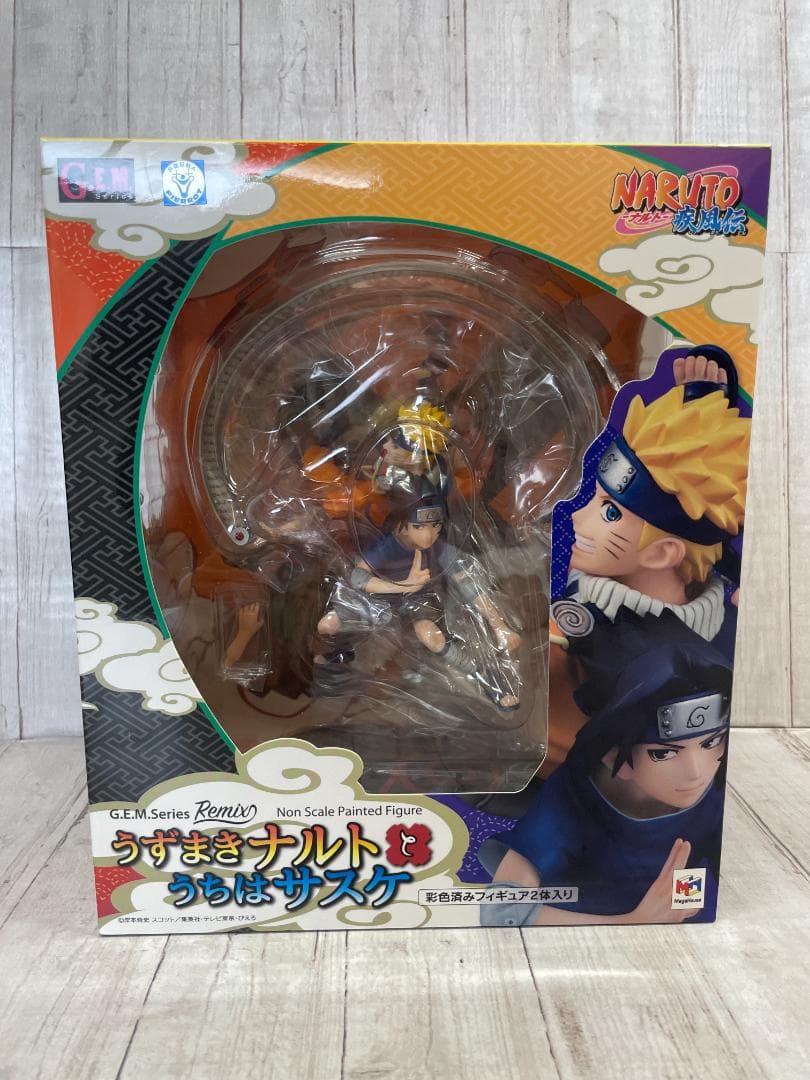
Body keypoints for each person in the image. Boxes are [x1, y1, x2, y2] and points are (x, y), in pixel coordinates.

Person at [481, 612, 731, 925]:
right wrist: (633, 921)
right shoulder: (574, 802)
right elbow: (501, 910)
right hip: (582, 936)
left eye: (711, 743)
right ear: (613, 757)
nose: (696, 772)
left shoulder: (711, 797)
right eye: (664, 753)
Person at [315, 493, 522, 709]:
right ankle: (338, 661)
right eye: (419, 526)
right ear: (402, 527)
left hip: (417, 600)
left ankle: (487, 677)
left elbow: (467, 581)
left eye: (435, 525)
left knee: (431, 637)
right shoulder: (388, 546)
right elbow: (358, 577)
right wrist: (402, 585)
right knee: (328, 625)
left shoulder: (437, 548)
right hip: (379, 597)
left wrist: (499, 624)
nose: (429, 534)